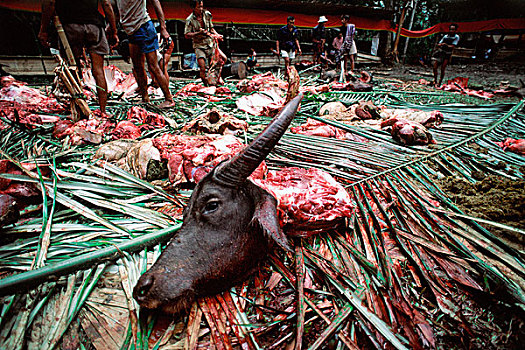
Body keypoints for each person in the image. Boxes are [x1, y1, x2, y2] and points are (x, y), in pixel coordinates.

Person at [39, 0, 119, 117]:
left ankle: (79, 109)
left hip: (70, 26)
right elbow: (106, 4)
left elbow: (50, 3)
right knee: (98, 70)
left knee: (73, 68)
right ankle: (103, 111)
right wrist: (114, 30)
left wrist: (43, 30)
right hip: (94, 26)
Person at [114, 0, 175, 108]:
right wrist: (112, 26)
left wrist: (163, 28)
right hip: (131, 32)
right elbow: (116, 10)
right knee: (137, 67)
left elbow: (156, 2)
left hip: (144, 27)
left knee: (153, 66)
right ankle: (145, 98)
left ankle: (169, 99)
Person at [184, 0, 227, 86]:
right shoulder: (189, 19)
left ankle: (217, 78)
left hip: (210, 43)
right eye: (199, 7)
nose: (201, 9)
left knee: (223, 59)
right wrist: (198, 33)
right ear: (193, 8)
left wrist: (217, 35)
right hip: (199, 45)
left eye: (202, 6)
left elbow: (211, 28)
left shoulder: (207, 14)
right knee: (202, 68)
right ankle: (206, 86)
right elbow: (186, 34)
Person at [339, 14, 357, 79]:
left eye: (343, 19)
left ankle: (352, 71)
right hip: (345, 43)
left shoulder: (351, 27)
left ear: (346, 20)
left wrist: (349, 42)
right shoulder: (342, 27)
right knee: (345, 58)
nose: (341, 21)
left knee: (351, 58)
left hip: (351, 43)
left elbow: (353, 35)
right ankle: (345, 71)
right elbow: (342, 36)